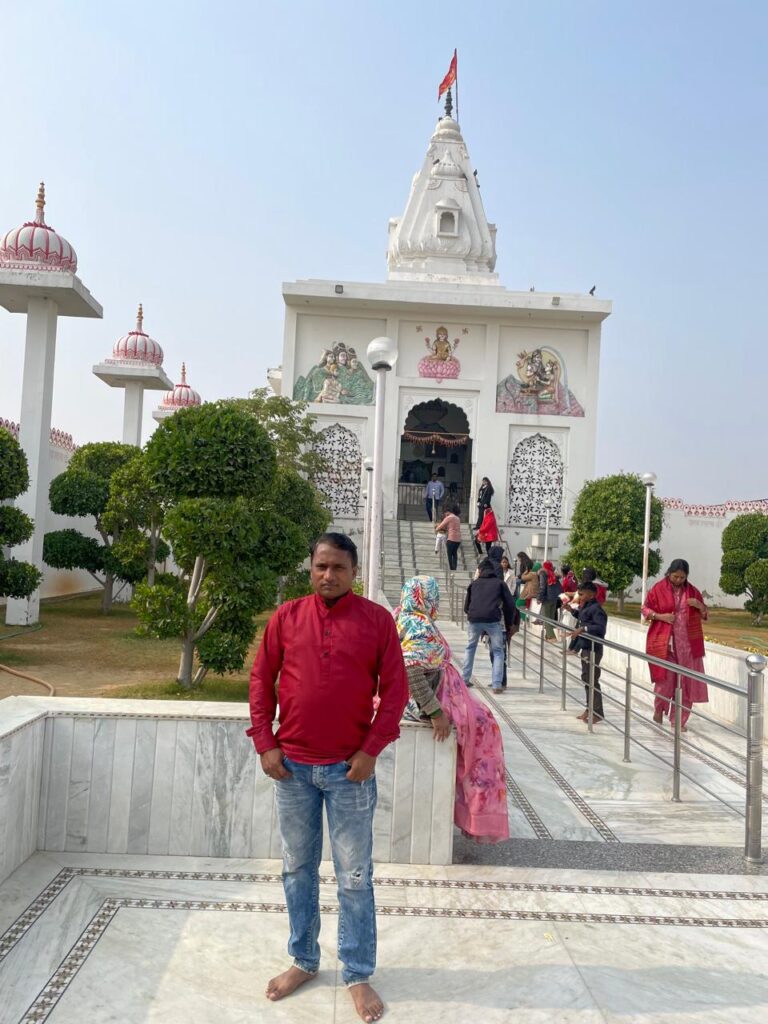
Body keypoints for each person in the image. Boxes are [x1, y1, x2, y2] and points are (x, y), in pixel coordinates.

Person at [248, 532, 409, 1023]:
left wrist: (370, 750)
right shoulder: (287, 617)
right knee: (296, 868)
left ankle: (357, 972)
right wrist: (265, 742)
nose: (328, 575)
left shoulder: (377, 621)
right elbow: (261, 679)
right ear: (310, 568)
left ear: (353, 571)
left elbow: (396, 691)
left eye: (338, 567)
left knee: (354, 876)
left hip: (349, 772)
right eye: (320, 566)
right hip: (292, 768)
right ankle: (304, 959)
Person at [395, 575, 509, 842]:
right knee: (484, 733)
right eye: (434, 596)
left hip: (436, 692)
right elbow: (411, 672)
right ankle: (475, 816)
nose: (437, 601)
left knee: (483, 724)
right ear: (425, 597)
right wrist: (436, 713)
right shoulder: (418, 625)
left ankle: (473, 815)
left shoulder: (403, 615)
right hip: (426, 701)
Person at [643, 558, 708, 731]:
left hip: (689, 647)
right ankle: (659, 708)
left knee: (686, 684)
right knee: (664, 682)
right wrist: (660, 616)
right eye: (675, 576)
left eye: (682, 577)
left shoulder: (693, 591)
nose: (678, 580)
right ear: (669, 573)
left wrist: (699, 605)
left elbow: (705, 614)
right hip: (665, 643)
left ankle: (678, 721)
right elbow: (645, 609)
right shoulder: (658, 588)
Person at [462, 558, 516, 692]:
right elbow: (510, 604)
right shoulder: (499, 583)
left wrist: (474, 614)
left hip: (474, 619)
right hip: (493, 620)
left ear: (480, 571)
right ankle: (497, 684)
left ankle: (464, 679)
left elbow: (466, 606)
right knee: (498, 651)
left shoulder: (474, 584)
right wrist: (509, 624)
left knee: (470, 648)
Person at [572, 581, 608, 723]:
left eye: (581, 594)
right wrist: (571, 611)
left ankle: (597, 712)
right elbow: (583, 617)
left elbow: (600, 628)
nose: (579, 596)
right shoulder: (587, 606)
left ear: (591, 594)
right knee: (587, 678)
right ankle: (589, 708)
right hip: (586, 647)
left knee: (592, 680)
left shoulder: (597, 609)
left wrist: (583, 629)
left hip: (594, 649)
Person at [537, 560, 563, 641]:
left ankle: (552, 637)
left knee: (546, 618)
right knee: (551, 618)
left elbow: (542, 587)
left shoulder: (543, 574)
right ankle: (548, 636)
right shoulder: (554, 574)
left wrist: (539, 598)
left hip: (547, 599)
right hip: (555, 598)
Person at [435, 502, 462, 570]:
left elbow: (441, 526)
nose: (445, 515)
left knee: (449, 554)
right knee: (454, 553)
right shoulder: (457, 518)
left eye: (445, 514)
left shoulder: (449, 517)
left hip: (451, 538)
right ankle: (454, 567)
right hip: (458, 539)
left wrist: (436, 528)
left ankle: (451, 568)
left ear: (447, 512)